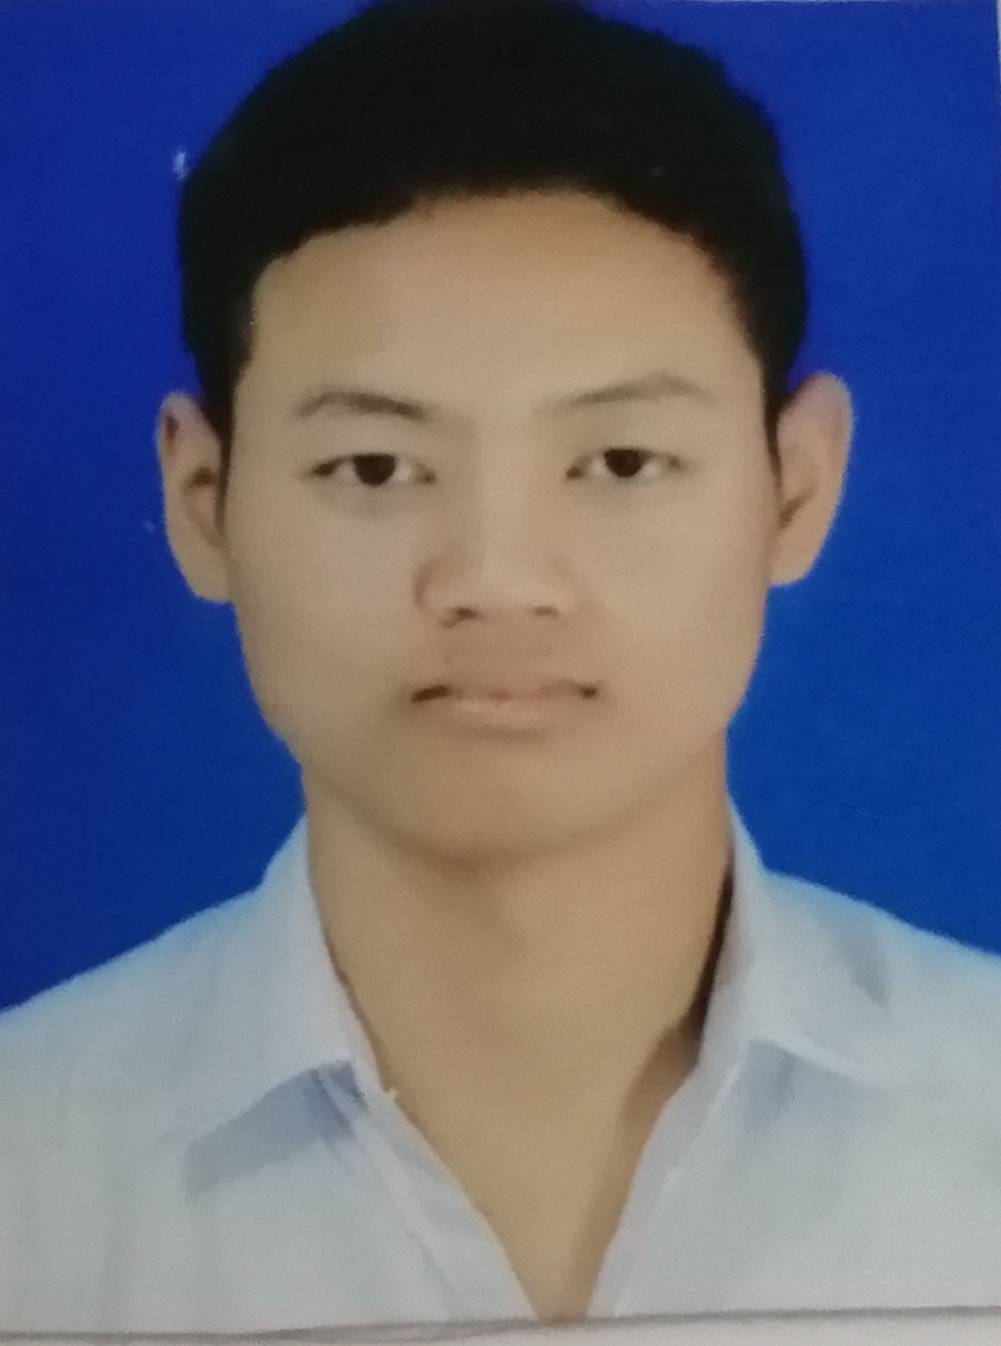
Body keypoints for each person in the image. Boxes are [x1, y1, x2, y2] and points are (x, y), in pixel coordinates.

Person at [3, 0, 1001, 1331]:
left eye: (622, 461)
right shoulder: (29, 1169)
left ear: (796, 487)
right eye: (375, 466)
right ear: (201, 502)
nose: (495, 578)